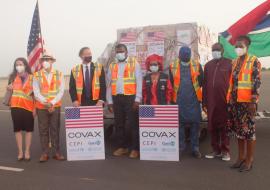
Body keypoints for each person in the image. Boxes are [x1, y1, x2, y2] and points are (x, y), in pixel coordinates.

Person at [227, 35, 261, 172]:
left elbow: (256, 82)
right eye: (236, 46)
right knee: (239, 132)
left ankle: (249, 159)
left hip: (248, 103)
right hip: (235, 102)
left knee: (249, 132)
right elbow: (232, 82)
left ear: (247, 46)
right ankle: (241, 157)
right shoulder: (234, 62)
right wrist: (229, 100)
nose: (237, 48)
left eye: (240, 46)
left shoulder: (254, 61)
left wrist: (253, 102)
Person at [107, 43, 142, 159]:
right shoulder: (112, 65)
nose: (119, 53)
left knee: (133, 124)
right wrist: (109, 101)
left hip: (130, 98)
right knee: (119, 124)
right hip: (116, 98)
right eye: (117, 52)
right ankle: (122, 147)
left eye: (121, 51)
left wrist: (137, 99)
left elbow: (139, 82)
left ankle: (135, 149)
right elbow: (109, 84)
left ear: (126, 52)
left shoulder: (134, 63)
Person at [169, 46, 203, 159]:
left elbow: (201, 81)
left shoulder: (197, 65)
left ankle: (195, 148)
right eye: (183, 55)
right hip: (179, 100)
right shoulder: (172, 66)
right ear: (179, 55)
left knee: (195, 124)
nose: (185, 57)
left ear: (190, 56)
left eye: (187, 55)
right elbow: (171, 82)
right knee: (179, 124)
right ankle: (180, 148)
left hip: (194, 100)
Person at [33, 53, 65, 162]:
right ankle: (45, 153)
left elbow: (61, 91)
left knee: (55, 129)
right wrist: (46, 103)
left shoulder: (59, 74)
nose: (46, 61)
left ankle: (56, 152)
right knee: (43, 130)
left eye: (48, 59)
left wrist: (52, 103)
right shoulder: (36, 75)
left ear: (52, 61)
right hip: (42, 107)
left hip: (55, 106)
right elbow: (36, 92)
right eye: (44, 59)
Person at [203, 43, 232, 161]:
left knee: (224, 126)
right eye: (213, 50)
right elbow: (205, 84)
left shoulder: (230, 63)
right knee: (212, 126)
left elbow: (234, 83)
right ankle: (216, 150)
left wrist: (232, 101)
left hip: (225, 101)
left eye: (217, 50)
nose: (215, 51)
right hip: (211, 102)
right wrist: (204, 101)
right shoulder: (208, 65)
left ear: (222, 50)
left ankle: (225, 151)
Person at [8, 58, 35, 161]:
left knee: (29, 130)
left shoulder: (32, 78)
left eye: (20, 64)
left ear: (25, 65)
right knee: (17, 130)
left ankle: (27, 151)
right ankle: (20, 151)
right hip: (15, 107)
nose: (18, 66)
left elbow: (35, 95)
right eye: (17, 64)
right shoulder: (12, 77)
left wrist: (35, 108)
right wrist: (9, 88)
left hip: (28, 107)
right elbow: (10, 90)